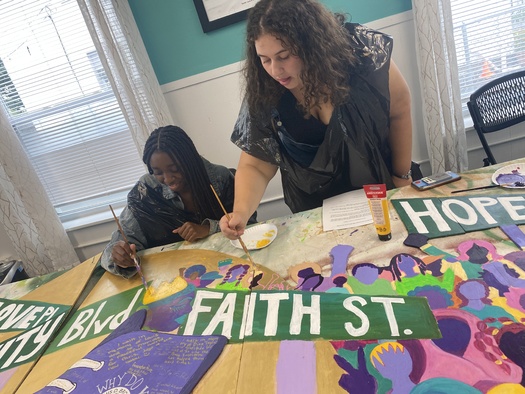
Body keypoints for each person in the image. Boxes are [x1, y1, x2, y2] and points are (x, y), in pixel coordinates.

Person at [220, 0, 421, 240]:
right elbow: (256, 164)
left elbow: (399, 109)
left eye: (283, 56)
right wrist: (241, 211)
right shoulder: (264, 90)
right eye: (264, 59)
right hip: (319, 212)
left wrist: (401, 175)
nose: (275, 71)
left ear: (311, 45)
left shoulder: (362, 52)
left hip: (383, 187)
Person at [101, 125, 256, 278]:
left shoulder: (220, 179)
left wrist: (208, 228)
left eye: (174, 169)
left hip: (229, 270)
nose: (167, 179)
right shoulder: (145, 193)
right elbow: (122, 240)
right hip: (169, 277)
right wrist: (120, 255)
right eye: (158, 172)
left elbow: (250, 226)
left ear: (189, 161)